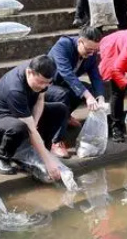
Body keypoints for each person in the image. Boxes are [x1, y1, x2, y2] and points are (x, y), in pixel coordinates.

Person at [0, 56, 68, 179]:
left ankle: (44, 149)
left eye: (47, 83)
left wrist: (35, 121)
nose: (43, 86)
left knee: (60, 109)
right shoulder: (15, 88)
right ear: (29, 72)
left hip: (25, 110)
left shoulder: (42, 70)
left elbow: (40, 99)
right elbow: (30, 130)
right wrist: (49, 163)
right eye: (40, 82)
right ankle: (2, 158)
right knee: (19, 127)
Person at [44, 26, 105, 158]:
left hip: (65, 85)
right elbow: (66, 73)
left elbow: (95, 76)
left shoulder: (91, 54)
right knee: (64, 94)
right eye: (89, 50)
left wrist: (100, 97)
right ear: (80, 41)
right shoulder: (63, 45)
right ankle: (56, 141)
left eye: (95, 51)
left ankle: (65, 115)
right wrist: (87, 96)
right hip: (47, 86)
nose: (91, 54)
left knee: (88, 89)